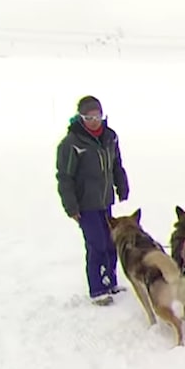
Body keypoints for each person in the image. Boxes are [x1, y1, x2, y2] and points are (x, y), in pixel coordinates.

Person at [55, 95, 130, 306]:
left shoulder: (110, 137)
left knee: (111, 242)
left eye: (97, 116)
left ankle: (110, 282)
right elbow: (64, 177)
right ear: (80, 118)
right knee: (96, 244)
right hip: (85, 205)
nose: (94, 121)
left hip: (105, 201)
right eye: (89, 118)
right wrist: (71, 206)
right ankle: (98, 289)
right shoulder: (71, 143)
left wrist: (121, 185)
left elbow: (116, 164)